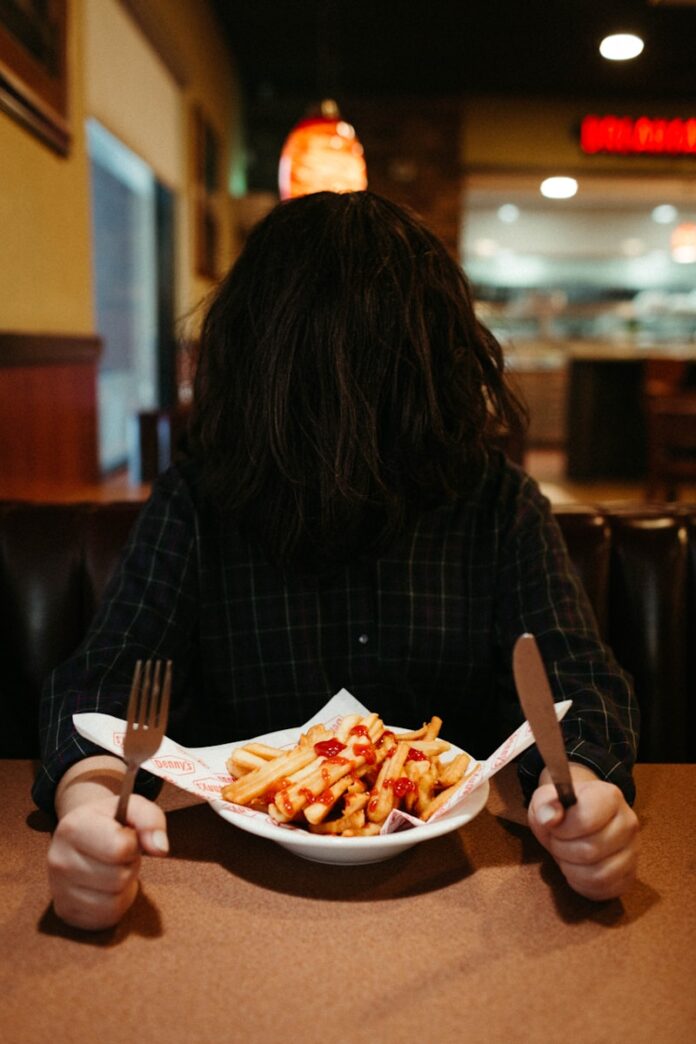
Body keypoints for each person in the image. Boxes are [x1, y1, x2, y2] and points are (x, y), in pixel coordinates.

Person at [33, 190, 639, 931]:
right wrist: (93, 806)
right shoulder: (200, 499)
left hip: (464, 896)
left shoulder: (496, 502)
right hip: (230, 904)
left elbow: (574, 678)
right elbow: (109, 676)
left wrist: (580, 791)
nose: (349, 424)